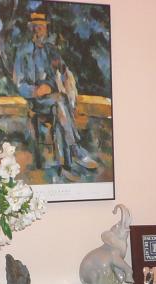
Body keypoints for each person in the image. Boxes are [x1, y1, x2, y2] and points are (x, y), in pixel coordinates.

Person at [13, 11, 98, 176]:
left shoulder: (50, 50)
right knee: (60, 103)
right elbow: (19, 84)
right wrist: (36, 91)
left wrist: (61, 81)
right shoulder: (23, 53)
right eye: (36, 27)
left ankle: (65, 165)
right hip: (36, 101)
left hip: (54, 99)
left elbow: (63, 72)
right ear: (30, 29)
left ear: (46, 29)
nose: (39, 30)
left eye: (42, 27)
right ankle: (75, 150)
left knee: (60, 108)